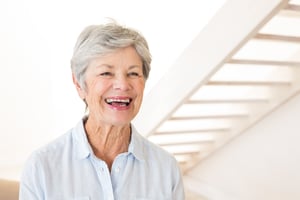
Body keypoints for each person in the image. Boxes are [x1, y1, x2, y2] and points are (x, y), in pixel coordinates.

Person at [19, 22, 185, 200]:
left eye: (133, 73)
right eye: (106, 73)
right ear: (79, 84)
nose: (122, 85)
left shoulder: (166, 169)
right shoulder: (42, 167)